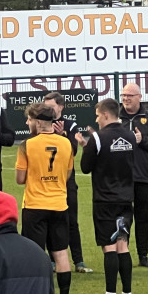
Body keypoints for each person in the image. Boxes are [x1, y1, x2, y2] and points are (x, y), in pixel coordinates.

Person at [76, 98, 136, 294]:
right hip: (126, 198)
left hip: (105, 200)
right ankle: (127, 293)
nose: (97, 119)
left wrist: (85, 145)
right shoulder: (130, 135)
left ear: (106, 115)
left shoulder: (98, 138)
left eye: (98, 115)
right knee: (123, 245)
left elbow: (85, 167)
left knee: (109, 246)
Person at [16, 102, 74, 294]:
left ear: (39, 122)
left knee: (36, 255)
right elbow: (67, 175)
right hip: (59, 204)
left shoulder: (27, 145)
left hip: (35, 205)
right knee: (61, 254)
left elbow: (20, 179)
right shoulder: (66, 144)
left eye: (29, 119)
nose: (27, 123)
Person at [119, 83, 148, 268]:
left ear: (140, 97)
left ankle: (143, 255)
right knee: (122, 217)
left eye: (130, 95)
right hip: (120, 177)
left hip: (142, 177)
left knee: (142, 216)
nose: (126, 99)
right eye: (123, 95)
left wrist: (142, 140)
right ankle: (123, 254)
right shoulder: (116, 118)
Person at [44, 91, 92, 274]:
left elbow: (72, 150)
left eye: (51, 106)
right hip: (48, 181)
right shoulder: (43, 124)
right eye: (45, 106)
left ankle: (79, 261)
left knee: (72, 221)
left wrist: (61, 135)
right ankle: (52, 261)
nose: (48, 109)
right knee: (50, 221)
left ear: (61, 107)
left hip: (67, 181)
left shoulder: (70, 125)